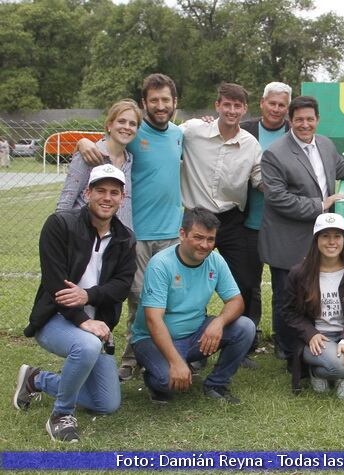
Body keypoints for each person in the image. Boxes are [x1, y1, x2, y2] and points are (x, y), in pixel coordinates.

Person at [259, 95, 344, 361]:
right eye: (299, 120)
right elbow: (277, 197)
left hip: (317, 240)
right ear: (290, 121)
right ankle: (288, 354)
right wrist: (321, 205)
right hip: (287, 240)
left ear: (317, 120)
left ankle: (315, 348)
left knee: (313, 295)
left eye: (310, 119)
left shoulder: (325, 145)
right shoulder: (275, 154)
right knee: (287, 298)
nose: (305, 124)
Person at [13, 165, 136, 443]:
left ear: (122, 197)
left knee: (106, 403)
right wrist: (84, 320)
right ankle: (60, 416)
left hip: (97, 324)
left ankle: (37, 379)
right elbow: (56, 285)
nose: (107, 197)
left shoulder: (126, 237)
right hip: (56, 319)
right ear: (87, 192)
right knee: (87, 344)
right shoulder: (60, 225)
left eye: (114, 192)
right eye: (100, 191)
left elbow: (122, 286)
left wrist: (88, 296)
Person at [76, 73, 184, 382]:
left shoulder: (180, 135)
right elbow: (106, 143)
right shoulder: (135, 132)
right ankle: (131, 357)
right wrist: (86, 141)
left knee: (170, 298)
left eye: (165, 100)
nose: (160, 106)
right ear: (144, 103)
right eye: (154, 100)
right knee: (137, 298)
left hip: (171, 233)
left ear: (174, 103)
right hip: (137, 234)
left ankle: (167, 351)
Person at [131, 207, 255, 405]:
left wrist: (219, 322)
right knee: (166, 382)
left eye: (210, 239)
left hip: (195, 333)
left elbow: (236, 301)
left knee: (245, 327)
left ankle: (216, 384)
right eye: (198, 237)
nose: (205, 245)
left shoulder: (215, 260)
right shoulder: (161, 264)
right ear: (182, 234)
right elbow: (153, 320)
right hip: (152, 339)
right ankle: (155, 375)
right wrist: (175, 362)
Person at [179, 83, 262, 353]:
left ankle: (241, 343)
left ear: (244, 109)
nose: (231, 110)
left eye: (237, 106)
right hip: (195, 219)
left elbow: (261, 179)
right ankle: (188, 339)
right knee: (186, 281)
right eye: (226, 104)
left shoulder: (251, 144)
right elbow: (163, 137)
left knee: (245, 282)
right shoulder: (193, 131)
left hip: (231, 221)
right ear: (217, 105)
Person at [281, 213, 344, 399]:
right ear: (316, 239)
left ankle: (340, 377)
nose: (331, 242)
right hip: (317, 338)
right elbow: (288, 311)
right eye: (325, 236)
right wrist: (310, 334)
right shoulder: (300, 272)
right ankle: (318, 372)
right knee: (338, 365)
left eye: (337, 236)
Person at [238, 81, 293, 366]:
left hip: (283, 225)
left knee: (283, 287)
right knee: (248, 284)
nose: (276, 109)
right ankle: (247, 339)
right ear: (262, 103)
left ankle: (284, 343)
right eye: (272, 103)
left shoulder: (294, 133)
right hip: (249, 221)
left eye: (282, 104)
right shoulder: (244, 129)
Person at [57, 99, 142, 229]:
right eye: (121, 121)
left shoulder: (129, 160)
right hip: (85, 236)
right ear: (109, 125)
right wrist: (59, 236)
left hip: (117, 241)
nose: (127, 127)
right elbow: (65, 202)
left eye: (132, 124)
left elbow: (125, 207)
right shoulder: (88, 154)